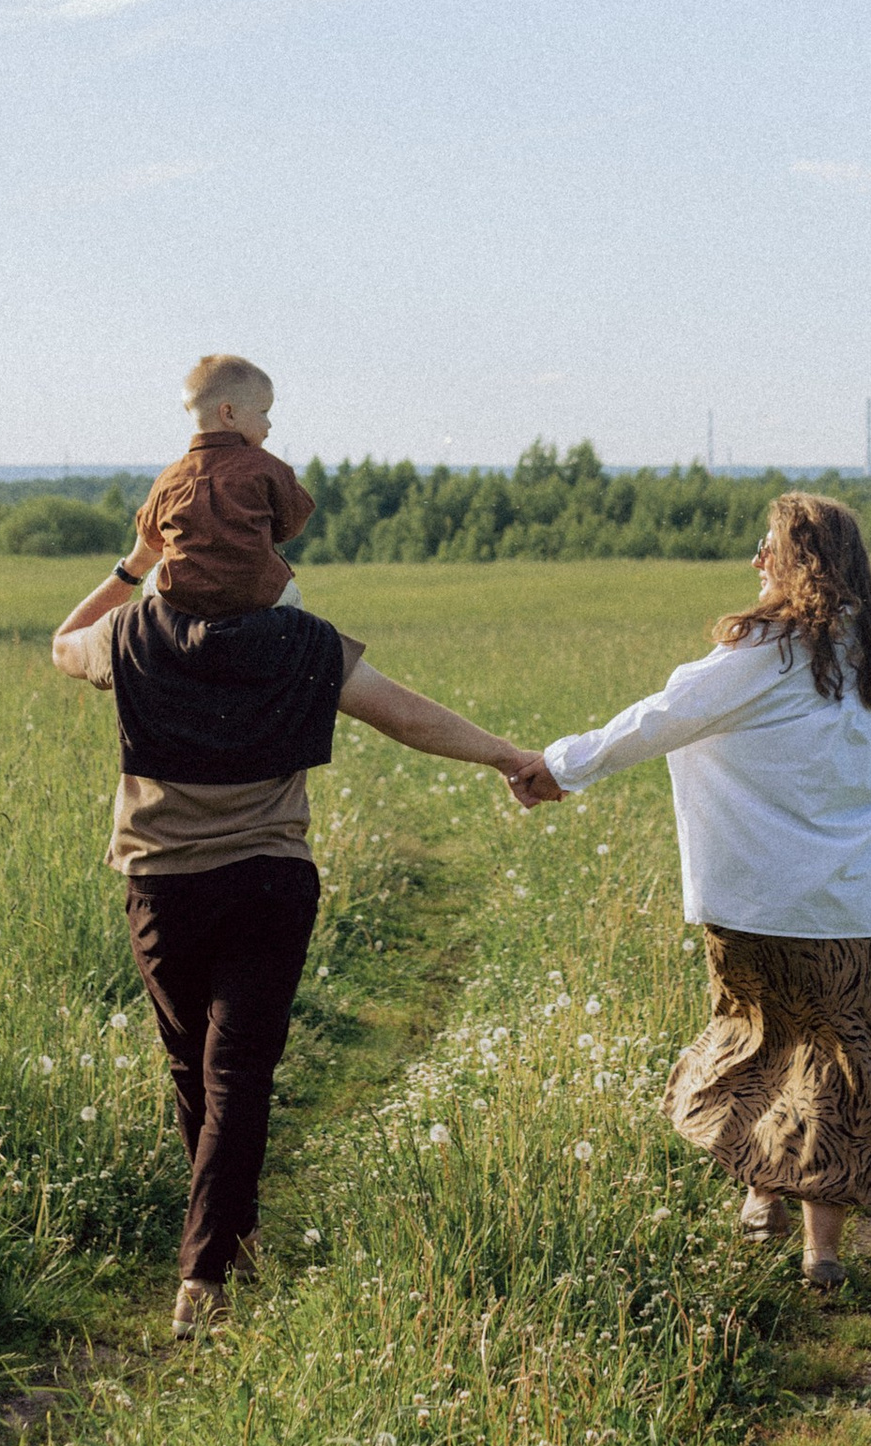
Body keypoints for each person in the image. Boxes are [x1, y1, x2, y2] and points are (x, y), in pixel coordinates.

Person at [51, 556, 556, 1334]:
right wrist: (503, 755)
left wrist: (133, 565)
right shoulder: (302, 645)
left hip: (161, 883)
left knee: (197, 1067)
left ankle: (207, 1265)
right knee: (236, 1072)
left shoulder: (129, 635)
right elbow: (405, 714)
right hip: (267, 878)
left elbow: (64, 641)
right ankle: (224, 1249)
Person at [539, 494, 871, 1293]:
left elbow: (661, 718)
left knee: (759, 1045)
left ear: (799, 560)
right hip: (854, 912)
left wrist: (562, 766)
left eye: (767, 546)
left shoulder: (760, 653)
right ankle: (823, 1252)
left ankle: (760, 1193)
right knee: (847, 1071)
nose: (755, 560)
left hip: (753, 909)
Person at [120, 352, 312, 614]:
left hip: (182, 598)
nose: (269, 424)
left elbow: (150, 535)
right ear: (229, 414)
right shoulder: (268, 467)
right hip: (257, 594)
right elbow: (290, 525)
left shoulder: (169, 478)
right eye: (263, 412)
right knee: (293, 602)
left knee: (154, 581)